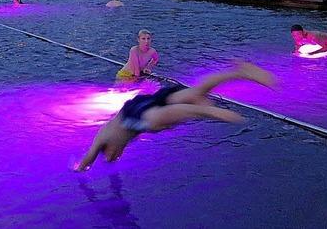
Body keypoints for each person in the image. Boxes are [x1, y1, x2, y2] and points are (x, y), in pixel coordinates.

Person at [76, 62, 276, 171]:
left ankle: (206, 111)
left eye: (112, 156)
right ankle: (239, 72)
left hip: (136, 113)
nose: (115, 157)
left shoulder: (102, 138)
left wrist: (77, 169)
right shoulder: (119, 141)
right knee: (197, 92)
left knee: (155, 124)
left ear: (108, 150)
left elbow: (87, 160)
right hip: (143, 103)